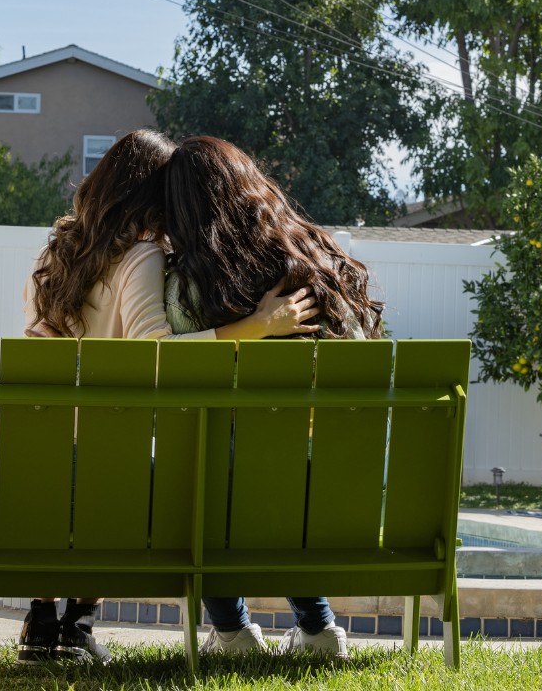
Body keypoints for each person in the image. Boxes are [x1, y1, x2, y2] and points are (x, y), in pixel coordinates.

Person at [18, 130, 319, 664]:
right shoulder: (142, 257)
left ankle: (42, 623)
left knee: (80, 469)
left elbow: (39, 345)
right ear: (148, 197)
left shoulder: (55, 255)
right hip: (116, 452)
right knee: (155, 467)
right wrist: (258, 325)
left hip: (46, 447)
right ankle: (78, 624)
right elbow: (157, 352)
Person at [162, 135, 385, 660]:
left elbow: (178, 373)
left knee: (205, 470)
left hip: (227, 488)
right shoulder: (315, 263)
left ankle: (232, 632)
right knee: (283, 468)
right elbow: (360, 364)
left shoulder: (186, 285)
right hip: (325, 475)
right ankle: (318, 629)